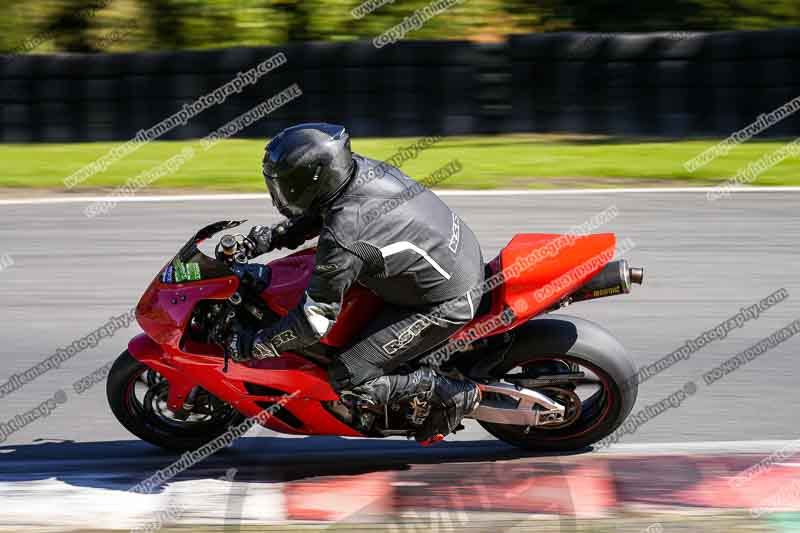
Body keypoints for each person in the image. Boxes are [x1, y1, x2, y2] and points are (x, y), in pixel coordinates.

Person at [225, 122, 483, 445]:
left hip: (447, 300)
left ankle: (448, 392)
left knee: (347, 375)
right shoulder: (357, 170)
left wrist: (256, 345)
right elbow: (324, 210)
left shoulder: (345, 236)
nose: (281, 193)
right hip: (456, 254)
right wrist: (270, 238)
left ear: (311, 180)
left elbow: (313, 322)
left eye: (287, 185)